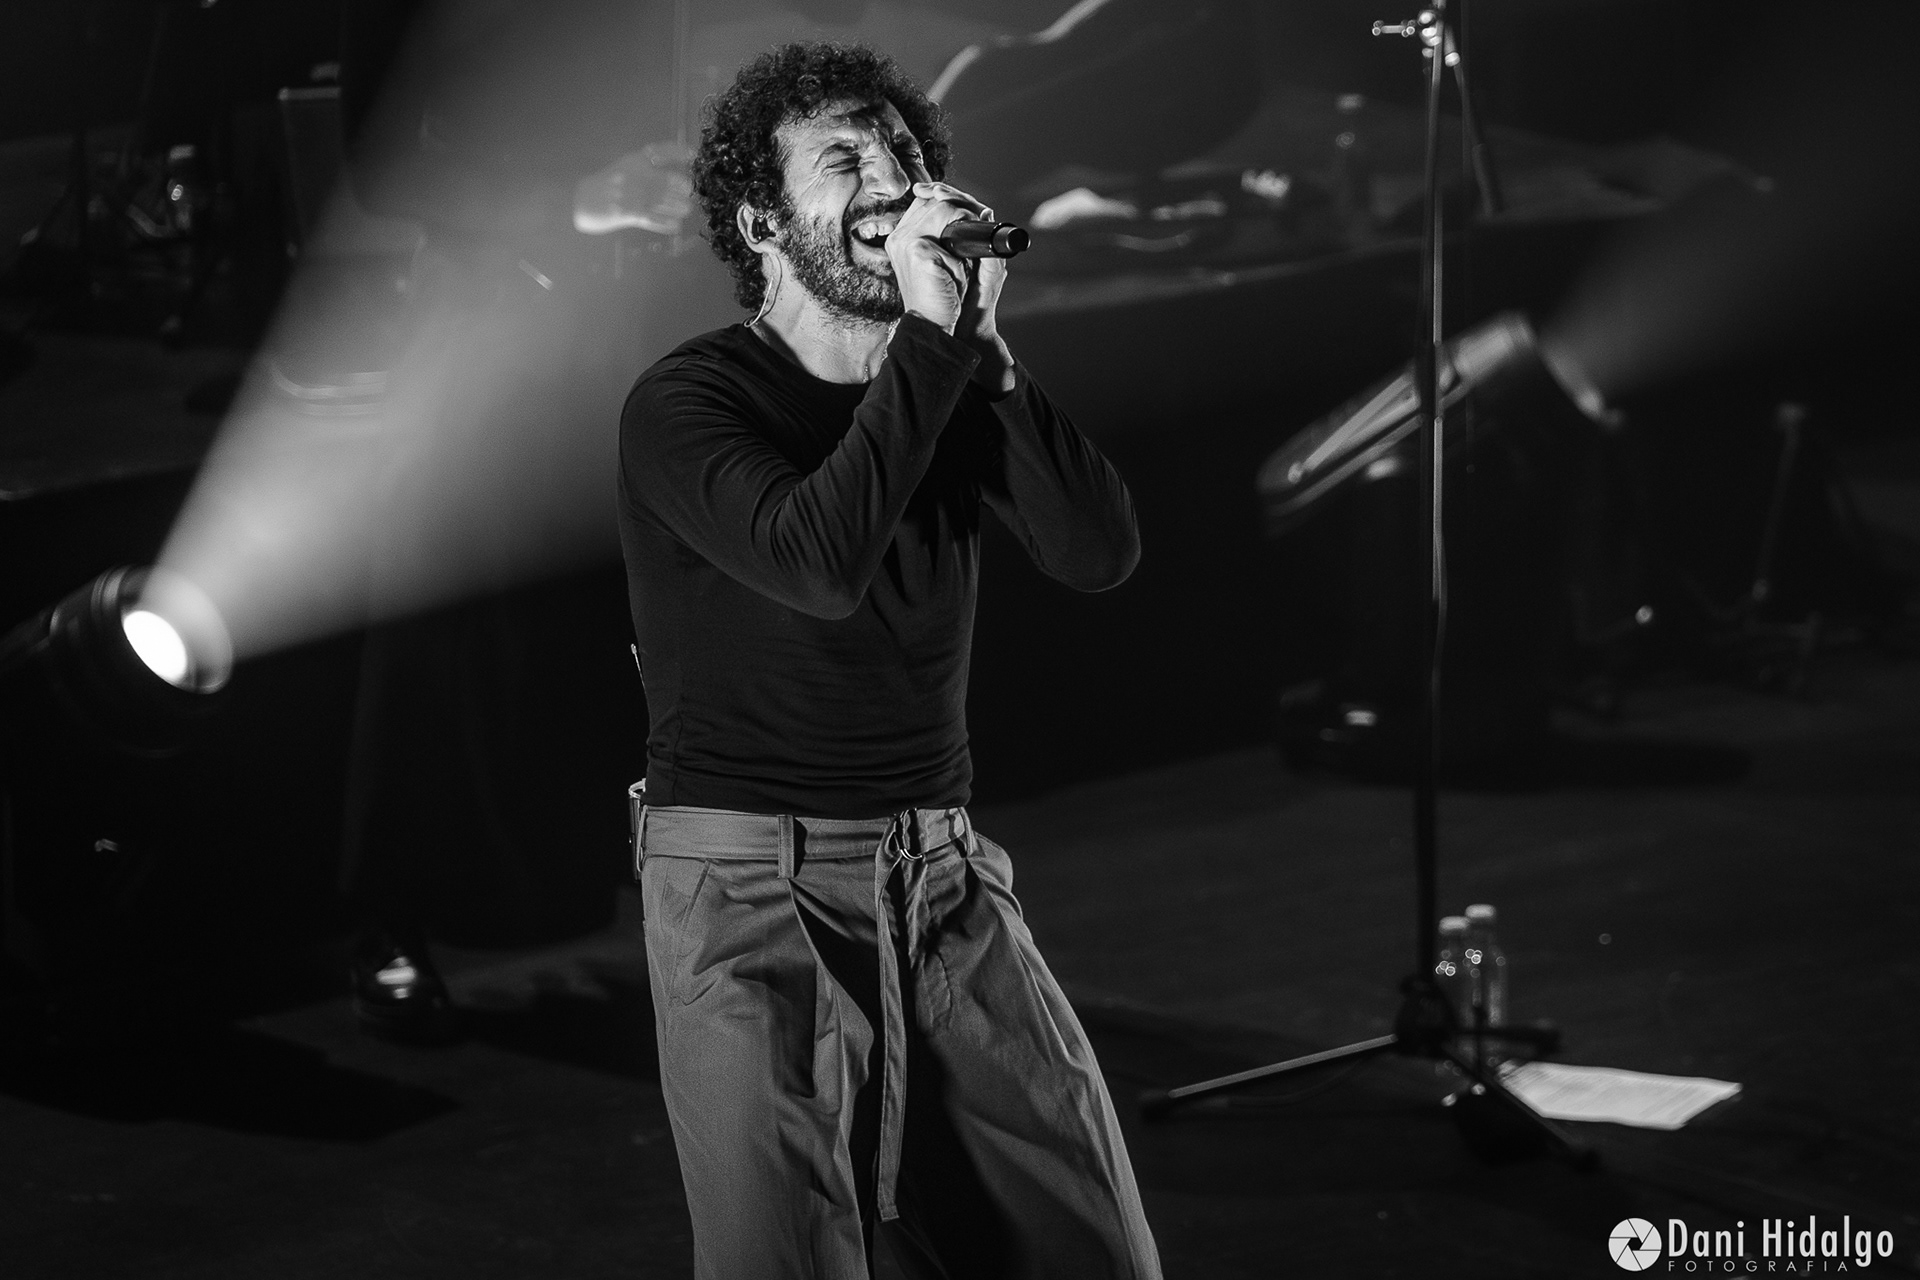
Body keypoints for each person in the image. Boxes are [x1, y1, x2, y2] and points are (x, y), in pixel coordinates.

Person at [618, 40, 1160, 1280]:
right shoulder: (688, 403)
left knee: (1089, 1249)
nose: (892, 180)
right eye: (844, 160)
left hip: (942, 875)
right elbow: (817, 561)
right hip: (748, 889)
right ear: (763, 223)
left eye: (904, 152)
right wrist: (929, 341)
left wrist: (989, 355)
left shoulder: (945, 383)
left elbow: (1098, 551)